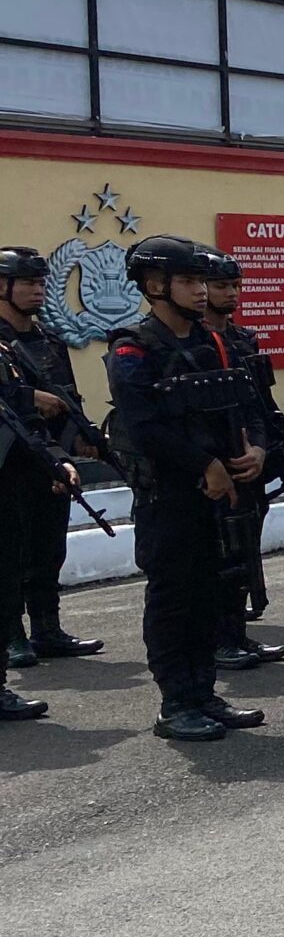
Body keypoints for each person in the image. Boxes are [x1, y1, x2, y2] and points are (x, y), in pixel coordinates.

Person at [107, 235, 267, 743]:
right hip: (170, 497)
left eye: (203, 281)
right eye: (190, 281)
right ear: (155, 286)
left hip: (219, 495)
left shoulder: (212, 341)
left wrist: (254, 449)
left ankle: (204, 692)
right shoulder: (133, 346)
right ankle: (176, 701)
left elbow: (244, 404)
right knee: (174, 600)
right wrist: (204, 465)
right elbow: (145, 424)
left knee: (211, 594)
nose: (201, 291)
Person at [0, 246, 101, 674]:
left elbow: (66, 399)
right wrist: (28, 397)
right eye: (26, 282)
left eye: (40, 283)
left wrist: (78, 443)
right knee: (12, 554)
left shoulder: (48, 341)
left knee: (48, 548)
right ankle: (12, 637)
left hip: (49, 458)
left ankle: (47, 628)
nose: (36, 290)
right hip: (8, 463)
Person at [194, 254, 284, 673]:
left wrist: (262, 450)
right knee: (217, 558)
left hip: (249, 461)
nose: (230, 294)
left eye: (235, 286)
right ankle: (218, 639)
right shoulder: (191, 344)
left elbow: (260, 403)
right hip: (210, 470)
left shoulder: (243, 340)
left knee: (244, 552)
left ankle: (237, 634)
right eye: (220, 286)